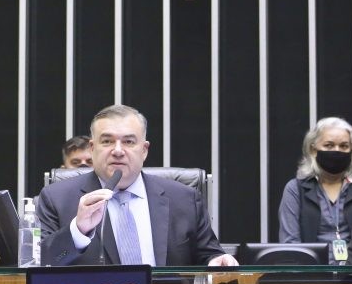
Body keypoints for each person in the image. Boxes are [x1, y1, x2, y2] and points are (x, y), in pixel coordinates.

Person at [36, 104, 237, 266]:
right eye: (107, 141)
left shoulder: (184, 199)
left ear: (144, 150)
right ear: (92, 148)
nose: (117, 151)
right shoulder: (57, 198)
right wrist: (78, 231)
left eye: (129, 142)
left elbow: (209, 256)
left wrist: (217, 261)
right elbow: (40, 264)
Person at [278, 117, 352, 259]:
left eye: (344, 146)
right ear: (313, 150)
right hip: (311, 269)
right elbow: (290, 243)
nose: (336, 151)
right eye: (329, 145)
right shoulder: (295, 189)